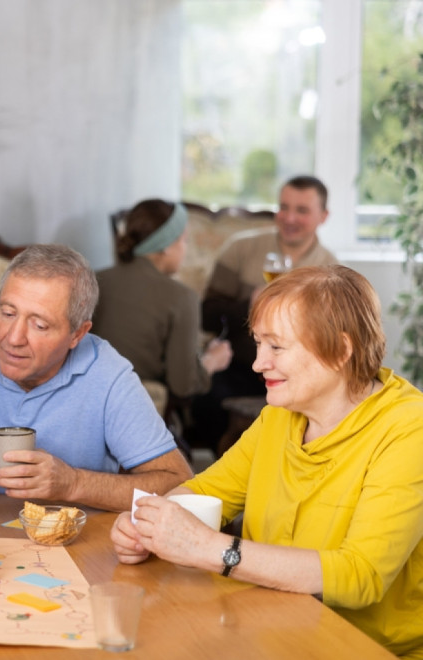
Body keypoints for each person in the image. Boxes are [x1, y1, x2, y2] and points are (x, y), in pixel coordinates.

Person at [112, 265, 423, 659]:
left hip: (363, 648)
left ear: (341, 351)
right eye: (258, 344)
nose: (258, 364)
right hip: (270, 626)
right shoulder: (279, 415)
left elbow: (361, 576)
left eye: (276, 347)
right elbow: (206, 490)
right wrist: (147, 524)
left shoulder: (409, 429)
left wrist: (211, 548)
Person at [0, 244, 194, 513]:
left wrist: (74, 483)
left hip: (79, 535)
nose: (13, 338)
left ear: (77, 334)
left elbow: (178, 483)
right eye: (8, 313)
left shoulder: (108, 374)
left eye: (40, 325)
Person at [192, 175, 339, 452]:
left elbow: (329, 337)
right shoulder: (240, 248)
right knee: (206, 401)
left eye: (302, 210)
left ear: (323, 216)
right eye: (284, 207)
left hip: (297, 373)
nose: (289, 218)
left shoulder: (330, 270)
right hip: (240, 365)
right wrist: (248, 305)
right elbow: (206, 314)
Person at [93, 199, 232, 399]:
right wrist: (212, 361)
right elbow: (183, 385)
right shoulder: (182, 297)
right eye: (184, 240)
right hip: (137, 405)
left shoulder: (94, 280)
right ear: (166, 246)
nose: (185, 249)